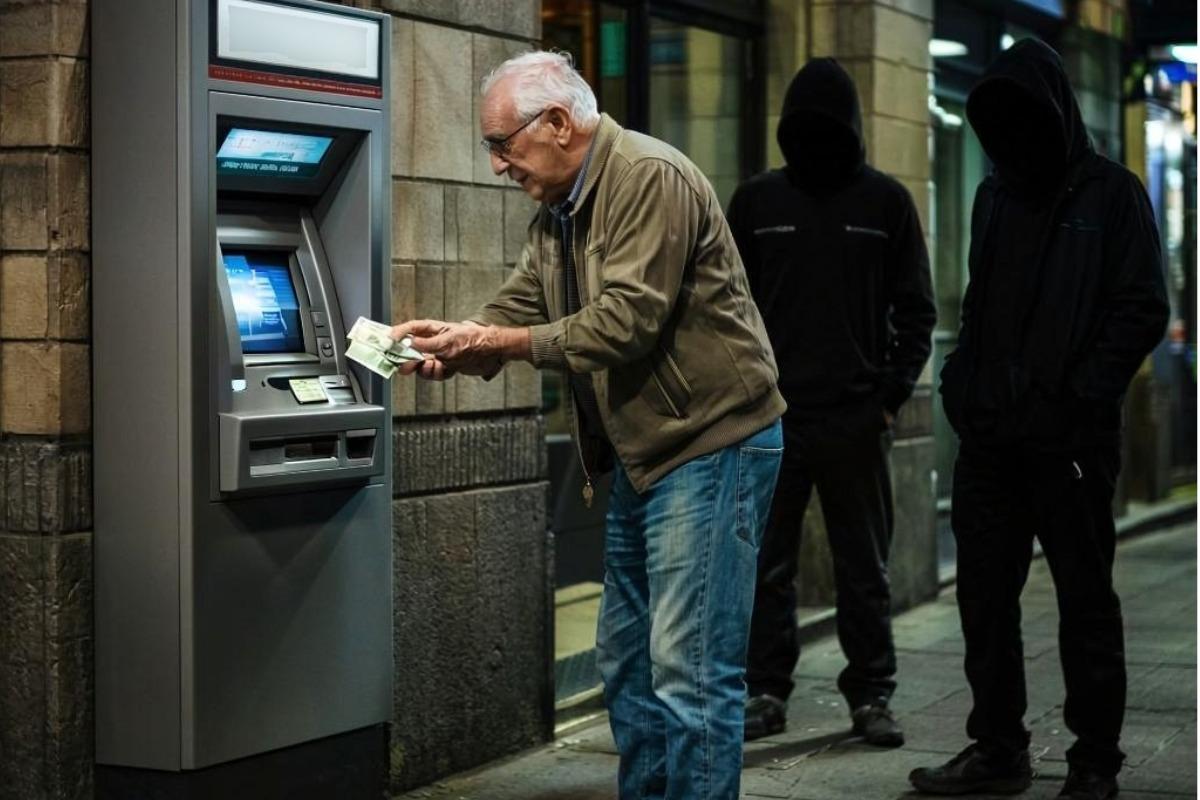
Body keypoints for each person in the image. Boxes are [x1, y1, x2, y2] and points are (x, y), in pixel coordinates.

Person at [392, 51, 786, 800]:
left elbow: (627, 321)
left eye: (502, 145)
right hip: (643, 455)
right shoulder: (559, 211)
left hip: (711, 444)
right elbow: (521, 304)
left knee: (690, 669)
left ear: (557, 123)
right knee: (628, 662)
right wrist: (460, 340)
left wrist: (497, 341)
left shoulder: (647, 177)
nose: (497, 165)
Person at [908, 39, 1168, 800]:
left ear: (1055, 111)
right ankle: (998, 749)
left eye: (1025, 118)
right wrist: (962, 383)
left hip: (1071, 443)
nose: (1013, 136)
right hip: (991, 440)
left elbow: (1142, 306)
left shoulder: (1112, 195)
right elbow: (979, 302)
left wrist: (1082, 396)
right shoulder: (993, 195)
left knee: (1085, 601)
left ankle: (1094, 762)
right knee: (983, 599)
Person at [725, 57, 935, 746]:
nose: (817, 139)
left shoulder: (886, 203)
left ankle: (871, 695)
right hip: (771, 417)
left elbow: (917, 311)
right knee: (765, 566)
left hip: (856, 419)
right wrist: (744, 395)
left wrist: (887, 400)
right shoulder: (757, 203)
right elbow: (725, 306)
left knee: (863, 568)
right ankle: (765, 691)